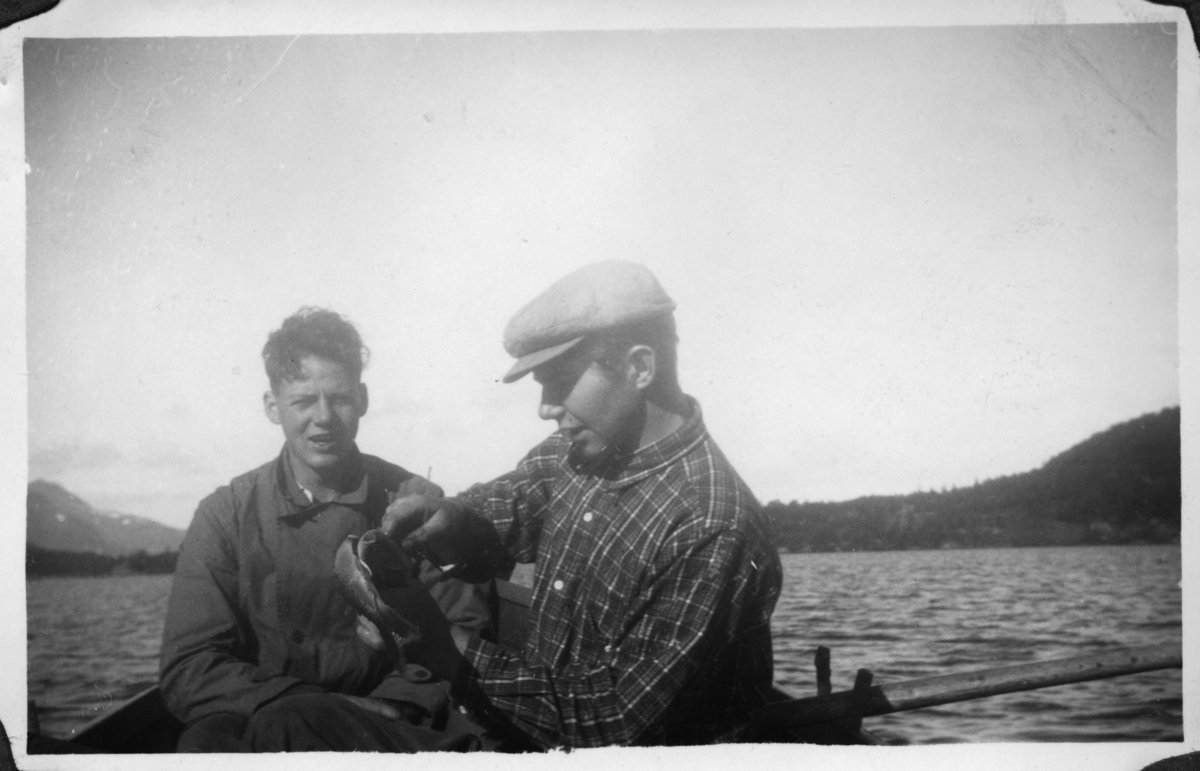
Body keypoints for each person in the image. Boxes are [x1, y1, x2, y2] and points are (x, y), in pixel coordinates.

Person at [264, 260, 783, 750]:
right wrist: (446, 520)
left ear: (639, 367)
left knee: (294, 729)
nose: (545, 409)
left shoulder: (712, 523)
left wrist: (443, 649)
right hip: (526, 740)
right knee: (293, 722)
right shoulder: (575, 452)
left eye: (559, 383)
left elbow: (618, 727)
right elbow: (499, 516)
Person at [159, 307, 490, 752]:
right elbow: (191, 664)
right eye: (302, 401)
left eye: (340, 398)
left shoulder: (413, 502)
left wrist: (391, 704)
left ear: (364, 399)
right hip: (259, 712)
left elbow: (461, 627)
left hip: (387, 722)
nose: (324, 417)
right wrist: (309, 704)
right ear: (272, 407)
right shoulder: (226, 514)